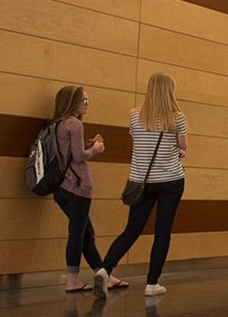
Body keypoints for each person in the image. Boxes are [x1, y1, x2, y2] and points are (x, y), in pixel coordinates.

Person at [94, 73, 188, 298]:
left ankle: (105, 269)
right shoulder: (177, 117)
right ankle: (152, 283)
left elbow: (140, 143)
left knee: (132, 229)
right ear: (170, 92)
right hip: (171, 180)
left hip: (141, 181)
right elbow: (183, 146)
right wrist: (179, 149)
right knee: (162, 232)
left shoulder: (135, 116)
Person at [50, 86, 126, 293]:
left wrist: (85, 145)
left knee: (85, 233)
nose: (87, 103)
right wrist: (96, 149)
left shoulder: (59, 124)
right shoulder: (74, 123)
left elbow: (69, 152)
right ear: (72, 102)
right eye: (83, 99)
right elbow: (79, 156)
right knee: (78, 234)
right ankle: (72, 280)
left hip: (61, 189)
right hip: (77, 187)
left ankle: (103, 275)